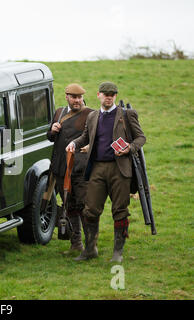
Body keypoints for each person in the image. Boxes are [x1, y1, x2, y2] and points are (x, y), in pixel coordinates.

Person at [66, 82, 146, 262]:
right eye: (105, 94)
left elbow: (141, 137)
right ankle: (90, 249)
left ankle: (117, 253)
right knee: (90, 210)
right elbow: (86, 137)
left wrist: (129, 147)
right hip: (97, 169)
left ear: (115, 96)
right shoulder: (93, 116)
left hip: (120, 169)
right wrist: (74, 143)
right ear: (98, 95)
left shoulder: (127, 115)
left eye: (112, 94)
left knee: (120, 210)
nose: (108, 97)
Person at [47, 83, 93, 254]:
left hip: (81, 168)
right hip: (60, 167)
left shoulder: (90, 114)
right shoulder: (59, 113)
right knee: (69, 205)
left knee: (84, 206)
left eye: (80, 97)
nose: (77, 100)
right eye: (74, 97)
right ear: (66, 96)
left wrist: (89, 146)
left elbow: (99, 136)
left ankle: (90, 244)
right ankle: (76, 243)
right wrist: (52, 130)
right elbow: (50, 138)